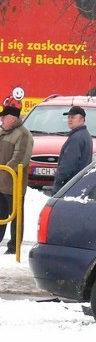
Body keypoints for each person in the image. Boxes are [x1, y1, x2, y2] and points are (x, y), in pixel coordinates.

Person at [0, 104, 33, 253]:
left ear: (12, 119)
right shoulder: (3, 132)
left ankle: (14, 247)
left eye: (3, 117)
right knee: (1, 214)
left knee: (16, 216)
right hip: (1, 183)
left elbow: (20, 158)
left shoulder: (23, 134)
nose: (1, 120)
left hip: (13, 183)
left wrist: (5, 170)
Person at [53, 105, 93, 194]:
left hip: (69, 185)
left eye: (73, 117)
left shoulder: (77, 138)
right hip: (77, 183)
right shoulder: (84, 135)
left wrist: (59, 177)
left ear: (82, 119)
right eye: (69, 117)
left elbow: (69, 162)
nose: (70, 120)